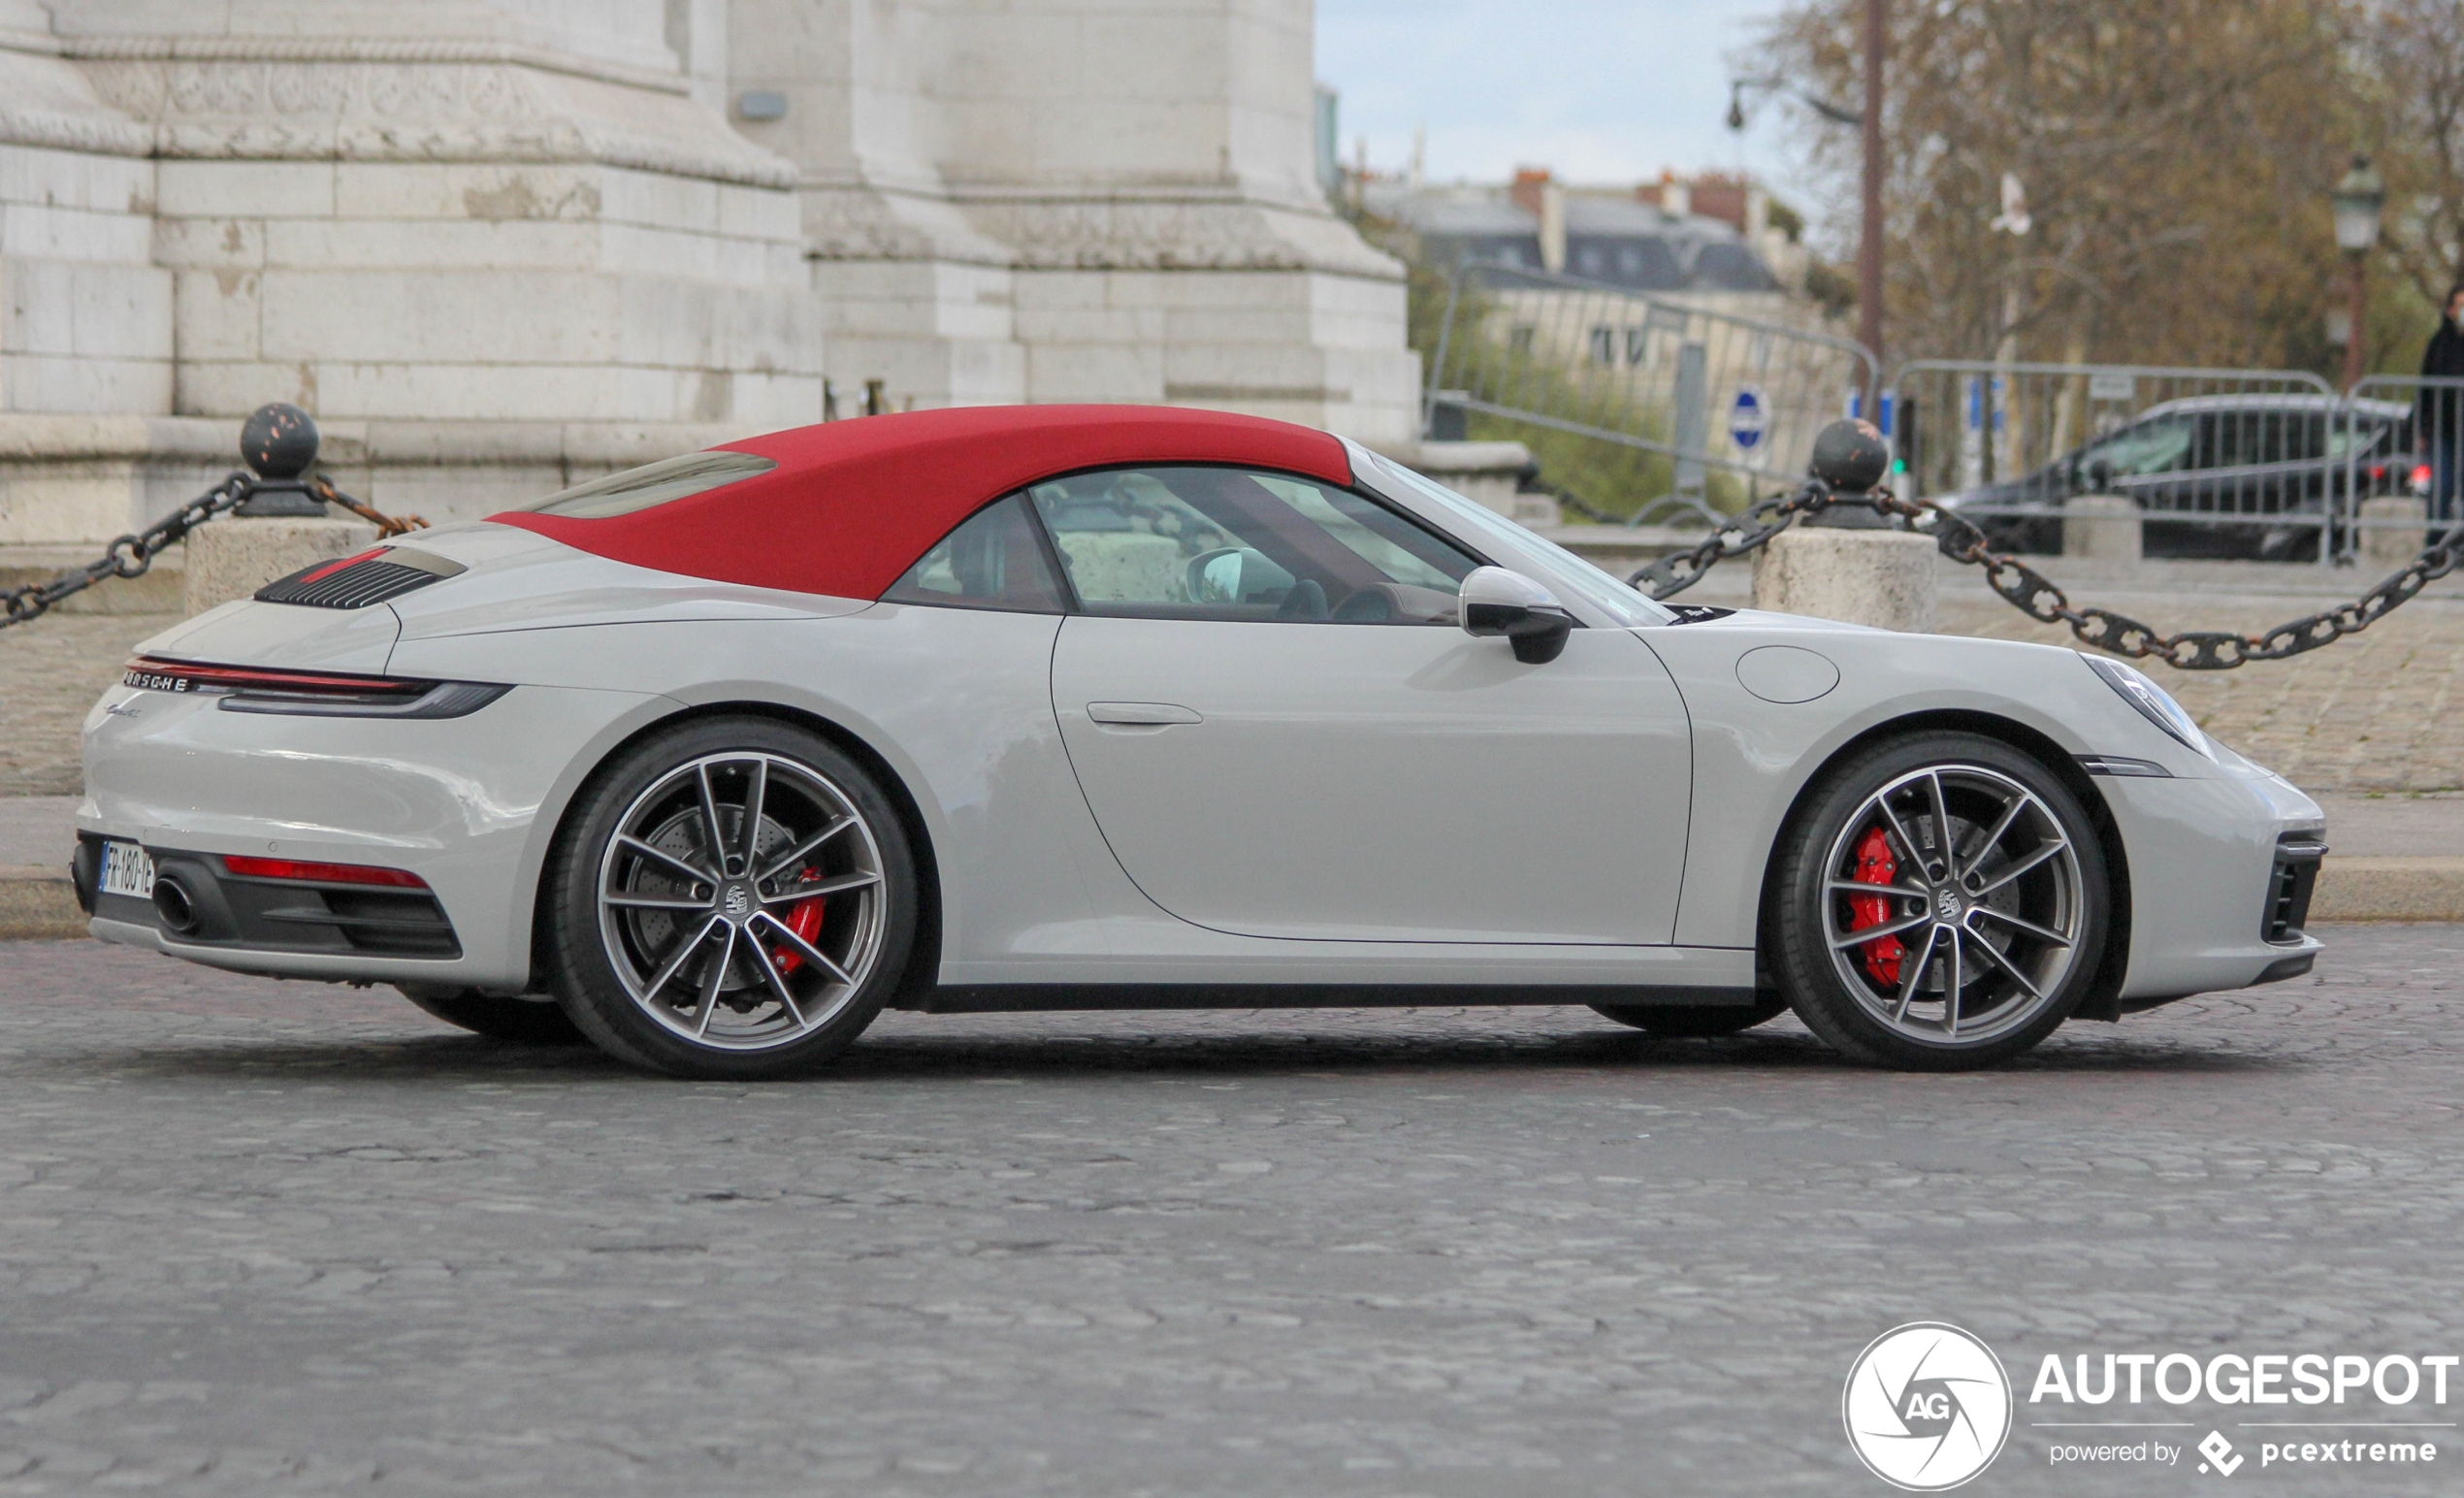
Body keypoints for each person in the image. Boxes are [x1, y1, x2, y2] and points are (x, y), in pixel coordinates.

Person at [2415, 280, 2464, 541]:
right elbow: (2426, 385)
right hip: (2443, 429)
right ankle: (2435, 545)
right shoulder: (2440, 343)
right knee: (2442, 487)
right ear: (2450, 310)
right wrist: (2420, 426)